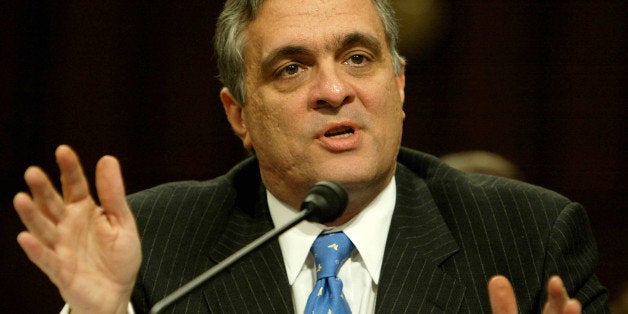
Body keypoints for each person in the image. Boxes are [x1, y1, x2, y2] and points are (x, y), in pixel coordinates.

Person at [12, 0, 608, 313]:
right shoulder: (157, 247)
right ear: (239, 114)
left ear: (399, 87)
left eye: (357, 57)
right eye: (291, 68)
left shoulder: (530, 238)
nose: (333, 90)